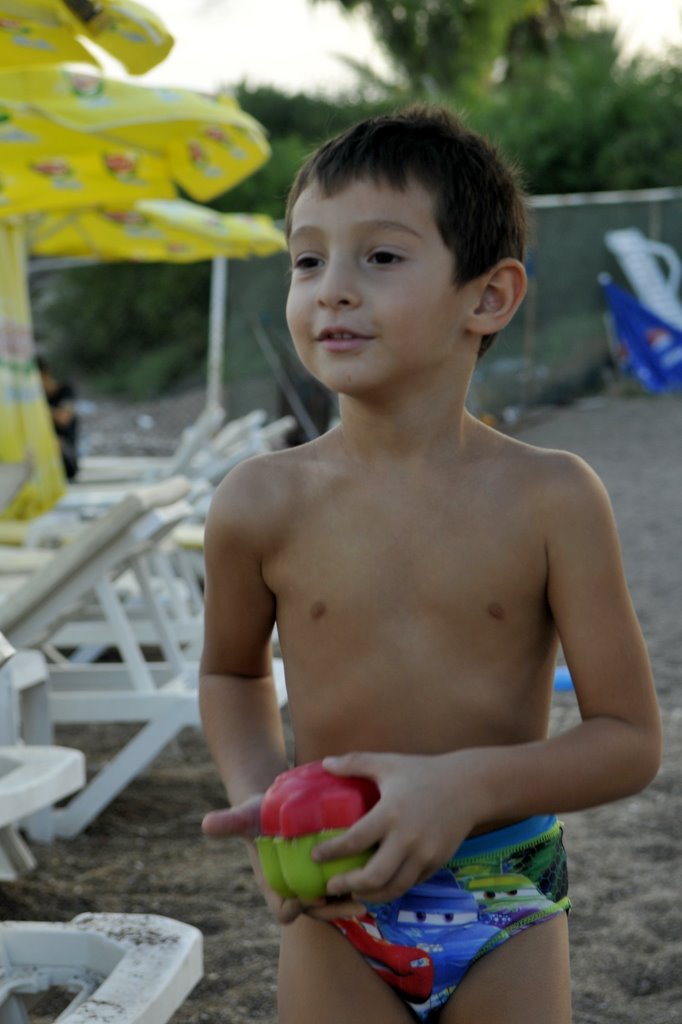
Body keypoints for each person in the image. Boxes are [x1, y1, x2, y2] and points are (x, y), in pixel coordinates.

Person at [198, 106, 661, 1024]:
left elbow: (629, 739)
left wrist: (468, 786)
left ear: (488, 297)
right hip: (334, 884)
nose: (332, 289)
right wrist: (261, 799)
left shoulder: (553, 498)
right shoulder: (259, 501)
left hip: (505, 887)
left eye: (379, 256)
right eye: (306, 260)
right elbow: (231, 672)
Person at [36, 354, 79, 479]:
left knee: (56, 443)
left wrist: (36, 409)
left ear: (45, 374)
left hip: (65, 455)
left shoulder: (65, 391)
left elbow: (64, 418)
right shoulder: (37, 397)